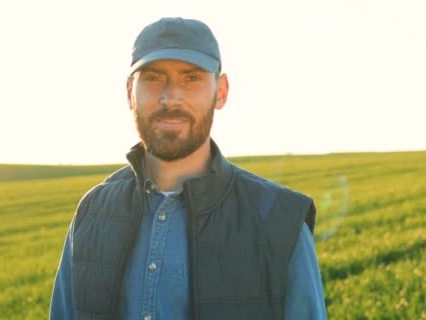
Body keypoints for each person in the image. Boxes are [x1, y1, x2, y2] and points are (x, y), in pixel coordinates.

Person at [50, 17, 327, 320]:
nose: (171, 98)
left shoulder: (281, 222)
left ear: (221, 91)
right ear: (130, 92)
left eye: (191, 78)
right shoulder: (92, 212)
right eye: (154, 78)